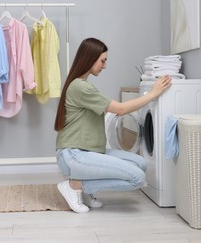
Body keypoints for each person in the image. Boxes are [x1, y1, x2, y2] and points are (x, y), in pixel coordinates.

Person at [54, 38, 172, 213]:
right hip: (74, 155)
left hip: (87, 152)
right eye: (103, 60)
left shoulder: (83, 85)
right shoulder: (80, 87)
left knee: (140, 163)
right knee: (138, 178)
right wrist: (153, 93)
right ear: (90, 58)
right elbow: (121, 109)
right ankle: (75, 185)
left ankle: (85, 190)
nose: (105, 65)